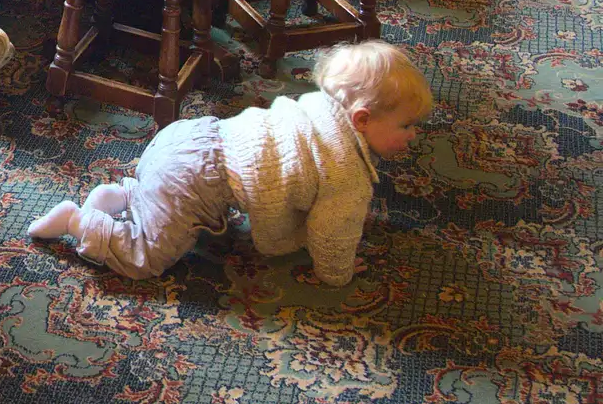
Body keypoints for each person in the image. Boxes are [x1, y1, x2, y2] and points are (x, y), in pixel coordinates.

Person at [28, 40, 432, 285]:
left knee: (159, 199)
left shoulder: (317, 107)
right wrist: (337, 274)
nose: (414, 135)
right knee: (145, 257)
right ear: (361, 119)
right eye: (408, 125)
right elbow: (332, 235)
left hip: (189, 137)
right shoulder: (348, 176)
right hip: (196, 181)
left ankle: (117, 197)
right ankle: (77, 222)